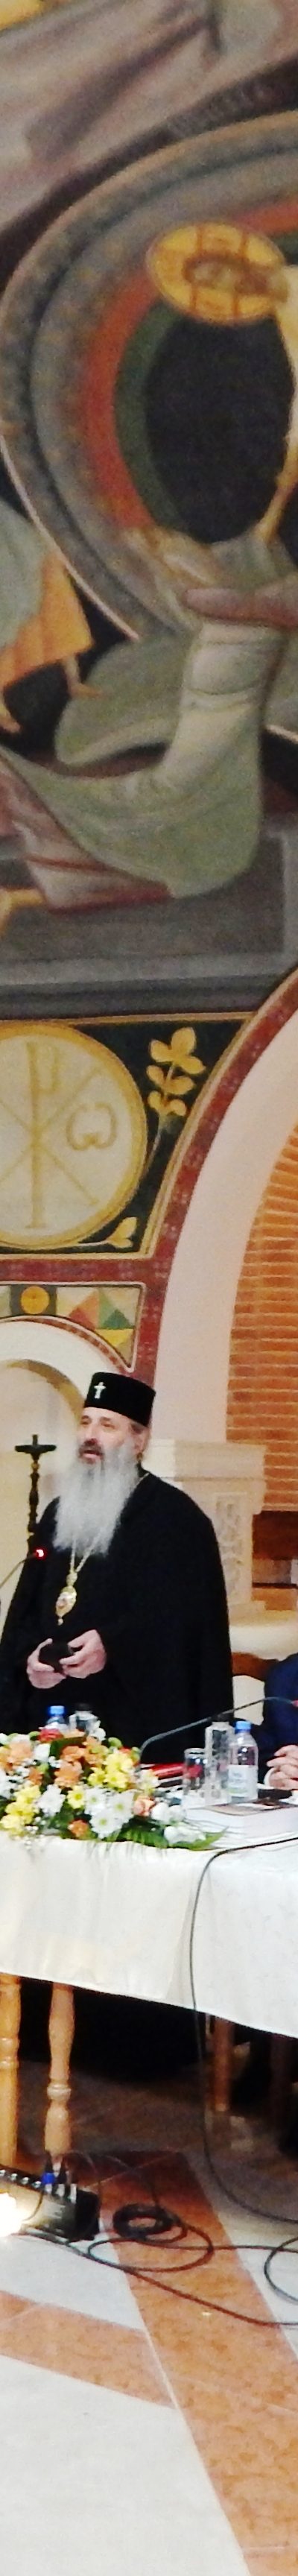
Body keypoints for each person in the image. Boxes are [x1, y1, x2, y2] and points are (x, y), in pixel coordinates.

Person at [0, 1368, 232, 1749]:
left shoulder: (176, 1520)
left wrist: (113, 1645)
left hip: (133, 1727)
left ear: (139, 1440)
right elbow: (26, 1609)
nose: (90, 1436)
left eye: (107, 1425)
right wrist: (32, 1657)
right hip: (52, 1720)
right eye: (85, 1422)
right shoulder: (58, 1514)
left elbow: (184, 1630)